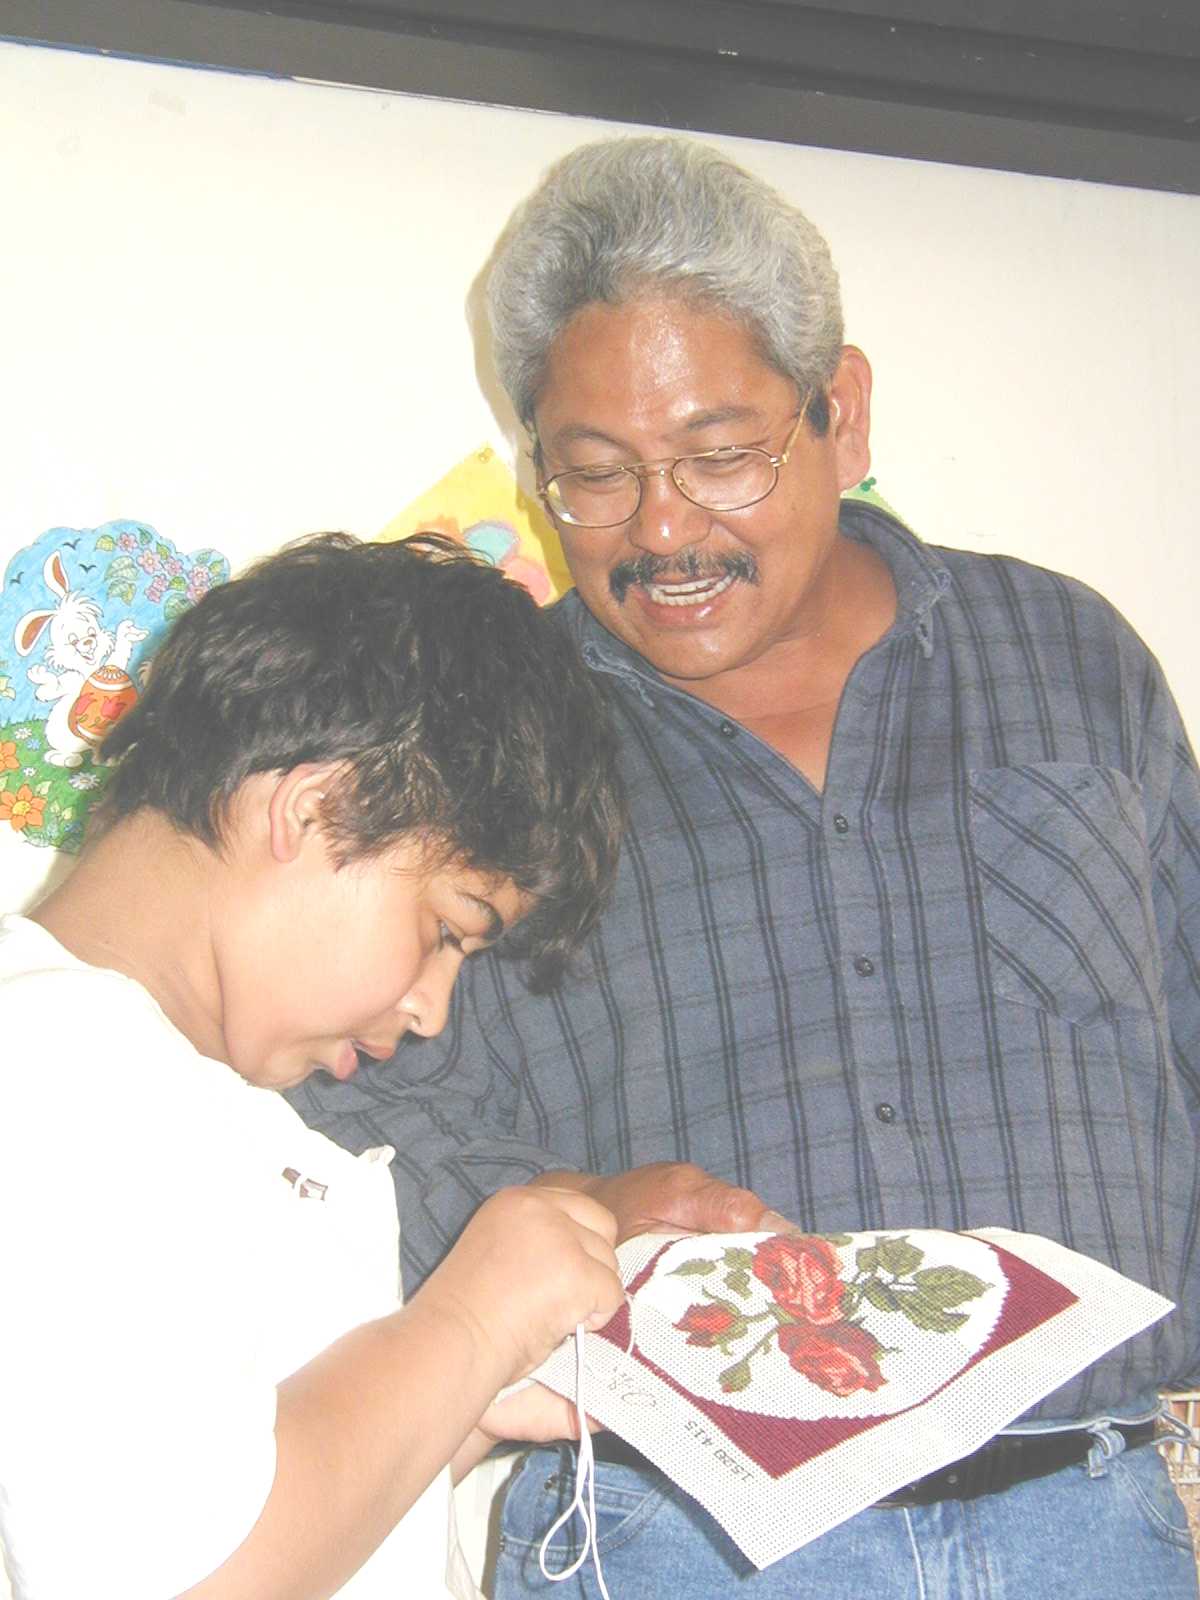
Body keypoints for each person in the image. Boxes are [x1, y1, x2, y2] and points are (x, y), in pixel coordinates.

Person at [292, 138, 1200, 1597]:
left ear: (839, 413)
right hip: (678, 1536)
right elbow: (349, 1111)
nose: (662, 530)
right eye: (594, 477)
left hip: (1095, 1508)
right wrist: (580, 1210)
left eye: (720, 456)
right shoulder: (471, 740)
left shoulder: (1068, 662)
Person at [0, 531, 629, 1600]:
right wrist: (465, 1324)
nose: (431, 1009)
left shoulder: (158, 1088)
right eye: (446, 928)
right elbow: (180, 1578)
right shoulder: (57, 1064)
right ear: (311, 806)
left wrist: (456, 1404)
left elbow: (249, 1511)